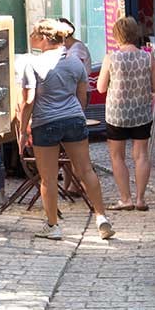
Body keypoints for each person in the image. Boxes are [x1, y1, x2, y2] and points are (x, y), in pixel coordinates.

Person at [17, 19, 114, 240]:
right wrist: (74, 115)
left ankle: (53, 226)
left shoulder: (32, 65)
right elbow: (82, 97)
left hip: (46, 122)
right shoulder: (75, 63)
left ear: (43, 38)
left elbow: (29, 101)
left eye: (34, 33)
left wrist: (23, 131)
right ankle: (101, 217)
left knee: (48, 178)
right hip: (73, 119)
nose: (31, 36)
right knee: (86, 170)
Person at [97, 17, 155, 211]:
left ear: (117, 35)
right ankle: (141, 199)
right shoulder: (147, 57)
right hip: (141, 112)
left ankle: (126, 199)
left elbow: (100, 88)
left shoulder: (111, 58)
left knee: (118, 157)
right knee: (141, 155)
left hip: (117, 113)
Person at [57, 18, 92, 197]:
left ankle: (77, 183)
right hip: (71, 96)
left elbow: (75, 78)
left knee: (74, 143)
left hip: (78, 96)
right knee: (68, 144)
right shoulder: (66, 49)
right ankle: (70, 183)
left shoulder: (77, 50)